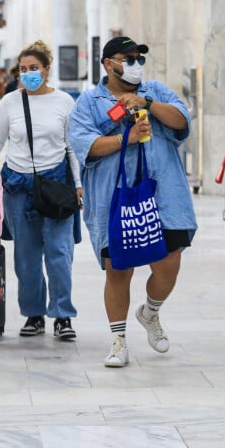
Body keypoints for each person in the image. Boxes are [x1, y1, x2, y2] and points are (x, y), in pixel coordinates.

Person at [68, 36, 198, 368]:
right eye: (128, 58)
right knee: (119, 269)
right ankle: (118, 340)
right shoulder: (89, 101)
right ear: (109, 63)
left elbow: (182, 121)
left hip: (164, 195)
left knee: (169, 264)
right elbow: (87, 146)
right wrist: (126, 135)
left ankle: (150, 312)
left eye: (139, 58)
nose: (136, 64)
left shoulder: (156, 91)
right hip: (115, 197)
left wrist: (146, 104)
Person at [0, 40, 83, 341]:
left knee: (59, 253)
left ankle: (62, 315)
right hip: (18, 187)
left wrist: (79, 185)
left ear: (46, 69)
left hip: (56, 183)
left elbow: (72, 148)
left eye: (34, 68)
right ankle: (33, 314)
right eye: (23, 69)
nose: (28, 73)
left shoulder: (64, 102)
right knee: (26, 257)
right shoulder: (9, 103)